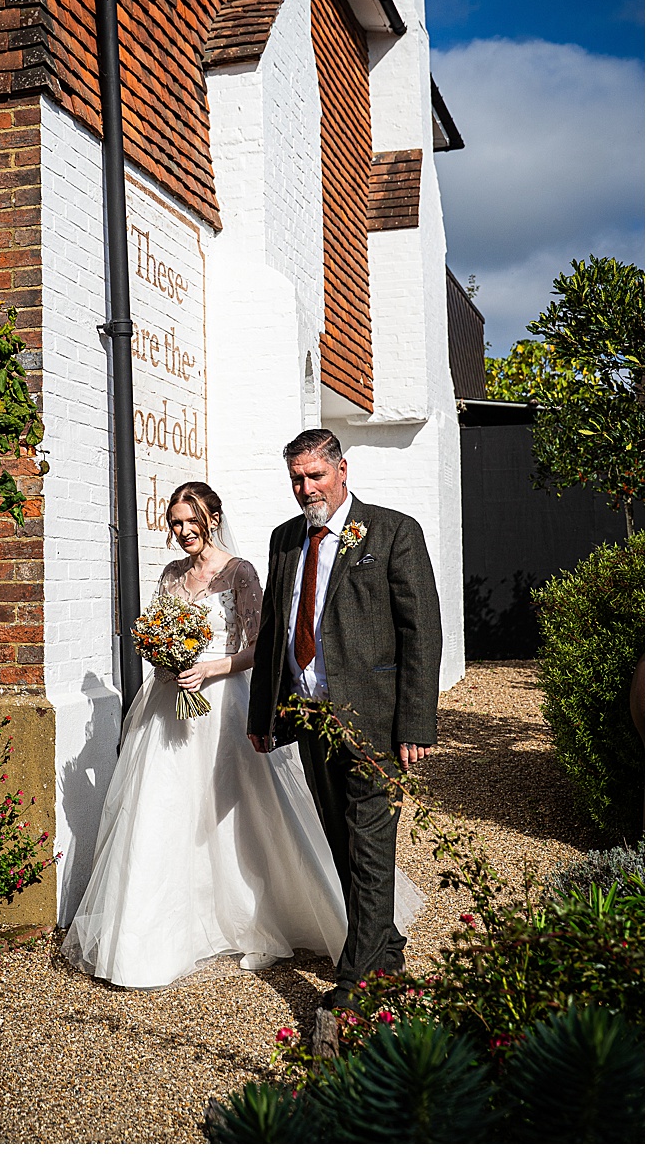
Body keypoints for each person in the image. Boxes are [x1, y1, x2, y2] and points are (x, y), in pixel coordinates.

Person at [63, 482, 365, 988]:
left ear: (213, 518)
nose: (182, 533)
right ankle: (156, 934)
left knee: (239, 810)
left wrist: (209, 669)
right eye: (175, 523)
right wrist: (166, 659)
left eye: (190, 522)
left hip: (224, 702)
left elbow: (260, 645)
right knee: (164, 810)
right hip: (171, 706)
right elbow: (159, 630)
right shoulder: (172, 575)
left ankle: (254, 919)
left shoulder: (239, 572)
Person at [247, 429, 442, 1013]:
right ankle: (387, 953)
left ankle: (355, 986)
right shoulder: (287, 539)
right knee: (341, 844)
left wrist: (415, 725)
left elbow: (421, 633)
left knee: (371, 847)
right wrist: (264, 713)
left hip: (373, 722)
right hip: (308, 719)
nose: (306, 489)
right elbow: (273, 632)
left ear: (342, 471)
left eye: (315, 476)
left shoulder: (393, 532)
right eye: (297, 480)